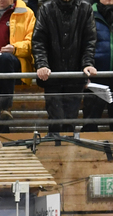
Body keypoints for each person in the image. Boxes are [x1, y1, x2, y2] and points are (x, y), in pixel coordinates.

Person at [32, 0, 98, 134]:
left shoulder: (85, 9)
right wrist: (42, 64)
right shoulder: (46, 8)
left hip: (75, 76)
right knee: (56, 119)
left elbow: (89, 41)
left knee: (70, 121)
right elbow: (38, 41)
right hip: (52, 75)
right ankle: (54, 151)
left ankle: (67, 153)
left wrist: (87, 63)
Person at [83, 0, 113, 131]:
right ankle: (85, 151)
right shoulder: (88, 13)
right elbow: (81, 44)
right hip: (95, 75)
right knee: (91, 121)